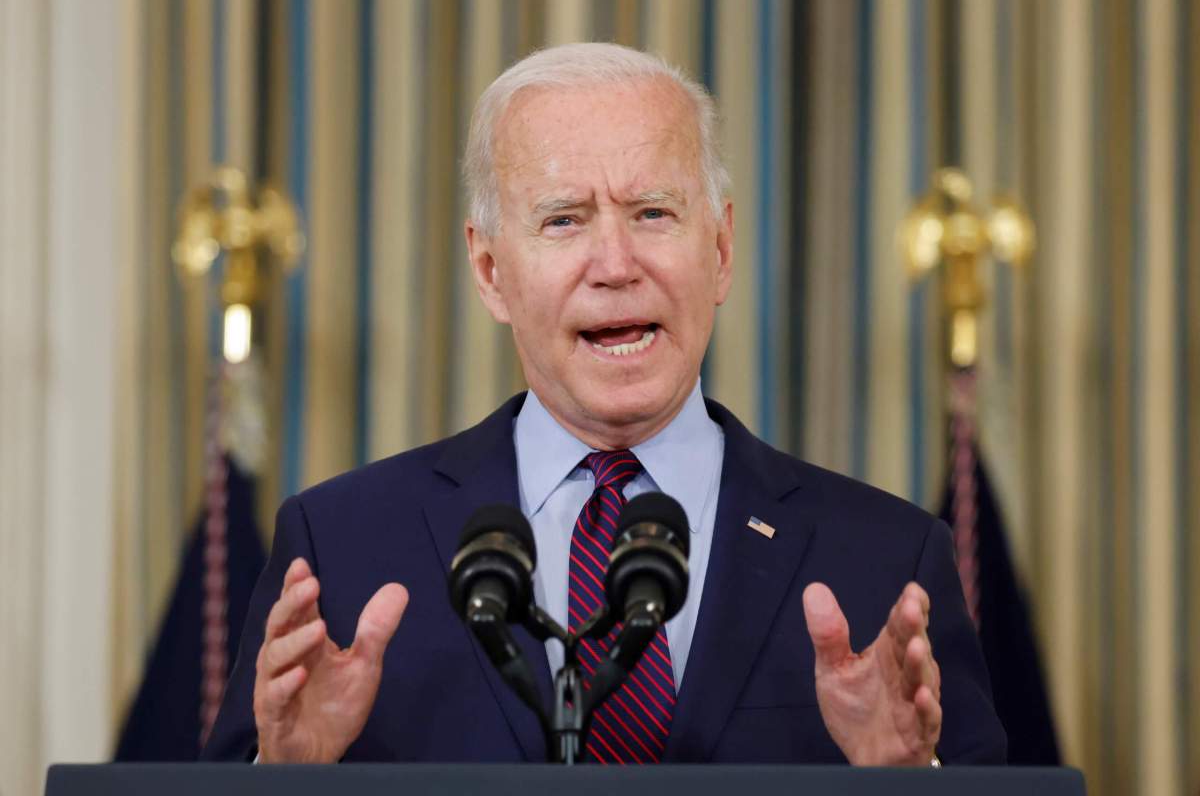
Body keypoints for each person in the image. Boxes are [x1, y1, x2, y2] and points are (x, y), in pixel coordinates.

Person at [202, 42, 1005, 765]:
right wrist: (284, 781)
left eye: (653, 212)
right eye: (564, 221)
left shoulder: (885, 563)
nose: (615, 264)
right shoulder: (342, 550)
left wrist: (909, 788)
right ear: (489, 271)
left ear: (720, 252)